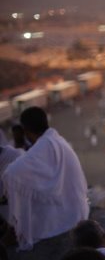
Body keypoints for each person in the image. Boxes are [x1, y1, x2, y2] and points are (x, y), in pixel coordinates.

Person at [1, 106, 89, 250]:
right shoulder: (58, 141)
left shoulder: (44, 146)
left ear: (26, 130)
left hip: (65, 218)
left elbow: (11, 173)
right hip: (77, 211)